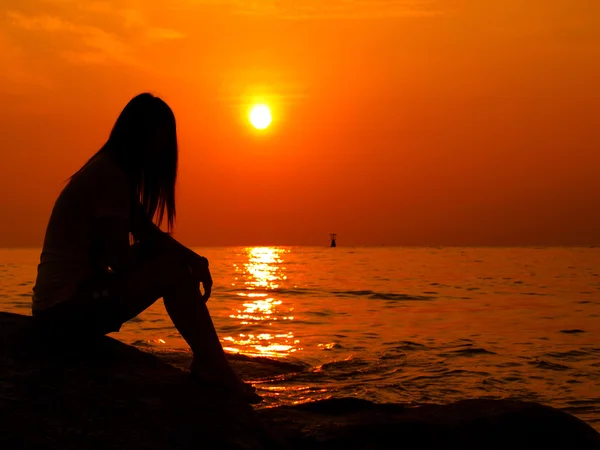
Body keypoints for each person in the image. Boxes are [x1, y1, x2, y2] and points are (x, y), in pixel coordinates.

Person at [32, 93, 262, 404]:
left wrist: (193, 259)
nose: (164, 152)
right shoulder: (108, 175)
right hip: (63, 314)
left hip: (65, 309)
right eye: (161, 141)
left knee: (174, 267)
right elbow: (120, 260)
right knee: (173, 272)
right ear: (141, 136)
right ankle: (215, 368)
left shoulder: (113, 174)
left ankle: (212, 364)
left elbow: (146, 233)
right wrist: (170, 265)